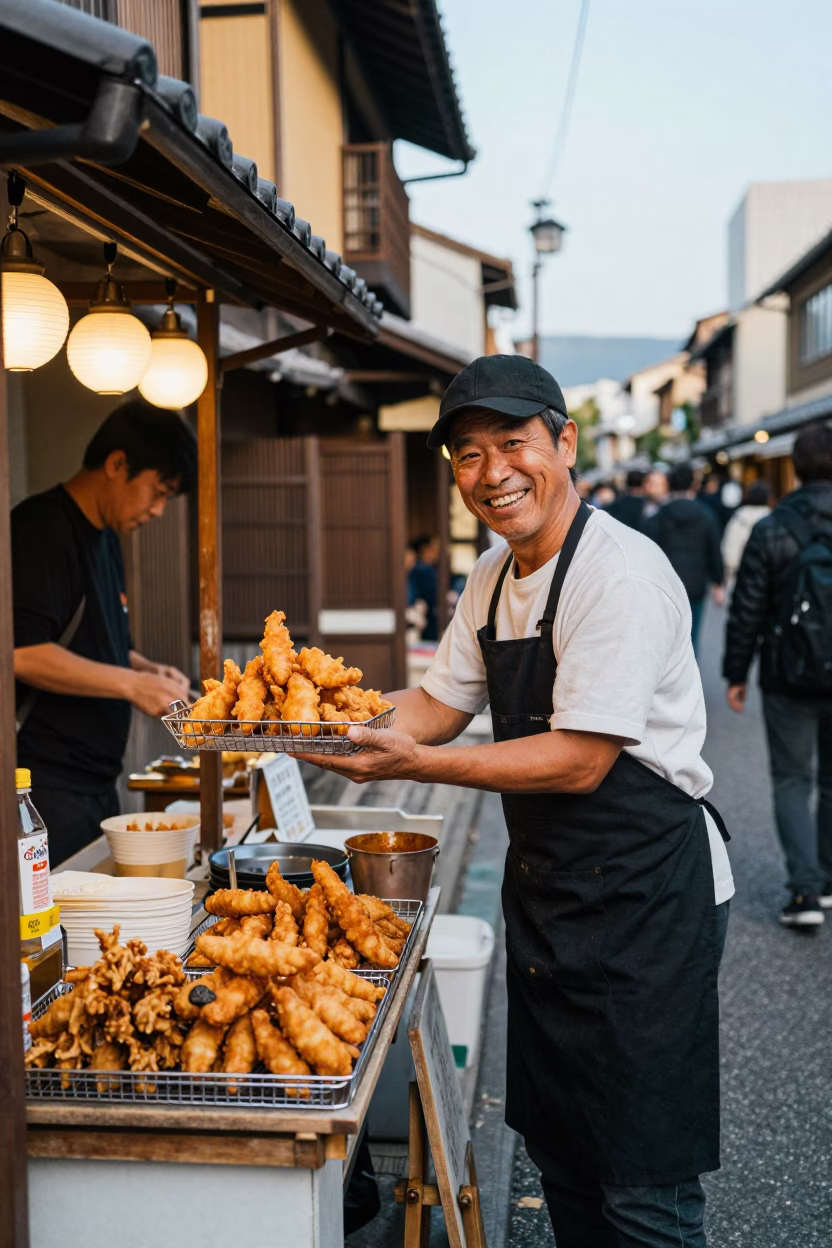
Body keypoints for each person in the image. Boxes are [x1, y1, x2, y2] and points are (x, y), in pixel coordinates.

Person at [302, 355, 733, 1248]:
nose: (491, 473)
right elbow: (434, 706)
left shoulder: (619, 574)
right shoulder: (493, 580)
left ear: (564, 443)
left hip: (648, 899)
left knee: (641, 1181)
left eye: (513, 444)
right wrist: (307, 718)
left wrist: (414, 764)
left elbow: (579, 760)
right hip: (552, 894)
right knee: (565, 1155)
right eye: (467, 455)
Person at [12, 400, 197, 864]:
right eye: (157, 492)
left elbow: (92, 641)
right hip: (45, 787)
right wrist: (133, 684)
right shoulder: (42, 528)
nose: (157, 510)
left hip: (96, 781)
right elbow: (20, 652)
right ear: (117, 464)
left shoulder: (106, 536)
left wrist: (147, 668)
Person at [723, 424, 832, 927]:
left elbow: (747, 607)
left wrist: (736, 672)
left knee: (793, 777)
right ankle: (827, 877)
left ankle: (804, 893)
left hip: (787, 670)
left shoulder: (772, 528)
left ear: (797, 467)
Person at [643, 463, 725, 656]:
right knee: (691, 637)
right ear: (694, 485)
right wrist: (718, 582)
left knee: (666, 638)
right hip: (696, 585)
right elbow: (714, 549)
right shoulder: (706, 515)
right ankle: (690, 682)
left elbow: (648, 550)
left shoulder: (658, 517)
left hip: (665, 585)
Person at [721, 481, 771, 584]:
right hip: (766, 580)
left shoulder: (739, 518)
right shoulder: (772, 521)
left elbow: (729, 552)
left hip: (738, 577)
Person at [407, 535, 440, 641]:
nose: (436, 551)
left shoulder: (422, 569)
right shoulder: (423, 569)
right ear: (425, 549)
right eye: (433, 548)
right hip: (423, 615)